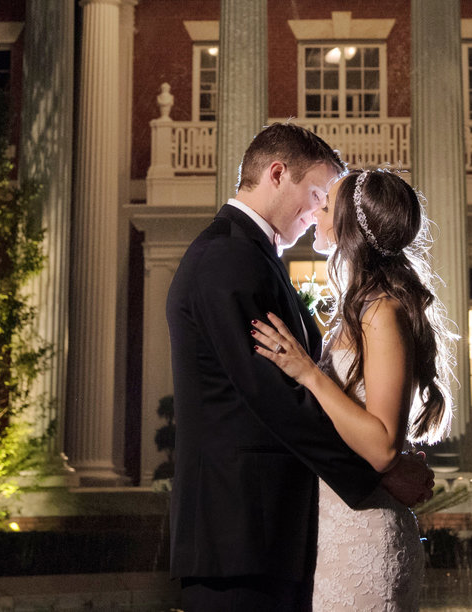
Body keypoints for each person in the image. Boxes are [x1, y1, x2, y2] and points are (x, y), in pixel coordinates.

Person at [166, 124, 435, 612]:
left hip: (275, 534)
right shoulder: (230, 257)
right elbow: (275, 400)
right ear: (276, 174)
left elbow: (308, 393)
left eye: (325, 203)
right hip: (241, 534)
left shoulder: (254, 258)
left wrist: (381, 461)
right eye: (316, 194)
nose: (316, 212)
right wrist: (379, 473)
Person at [251, 166, 456, 612]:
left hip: (365, 540)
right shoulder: (361, 306)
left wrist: (308, 373)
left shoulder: (381, 311)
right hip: (338, 527)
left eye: (325, 206)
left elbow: (382, 445)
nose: (315, 212)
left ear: (348, 227)